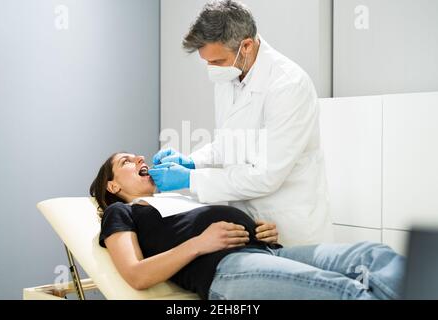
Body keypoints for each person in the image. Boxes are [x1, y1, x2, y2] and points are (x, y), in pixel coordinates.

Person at [89, 152, 405, 300]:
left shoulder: (178, 197)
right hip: (225, 270)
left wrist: (257, 231)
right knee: (344, 292)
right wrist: (200, 242)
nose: (139, 157)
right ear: (113, 186)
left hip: (266, 252)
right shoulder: (121, 211)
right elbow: (136, 274)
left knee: (372, 256)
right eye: (126, 161)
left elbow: (215, 225)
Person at [150, 0, 333, 247]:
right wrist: (193, 160)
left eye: (216, 61)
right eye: (206, 62)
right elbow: (230, 143)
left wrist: (191, 180)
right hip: (247, 225)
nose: (211, 69)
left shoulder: (288, 86)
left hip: (289, 225)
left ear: (245, 46)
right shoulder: (229, 76)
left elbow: (266, 175)